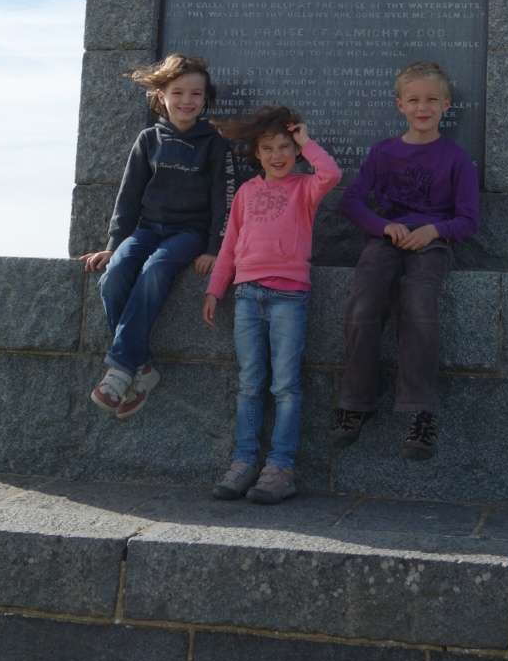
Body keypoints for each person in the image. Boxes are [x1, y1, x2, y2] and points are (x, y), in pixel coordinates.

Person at [330, 60, 478, 460]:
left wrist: (435, 231)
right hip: (386, 240)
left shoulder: (456, 159)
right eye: (413, 100)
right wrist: (382, 226)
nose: (422, 107)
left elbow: (468, 219)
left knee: (419, 308)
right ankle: (355, 402)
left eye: (431, 100)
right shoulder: (384, 152)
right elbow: (351, 201)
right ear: (400, 105)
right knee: (362, 305)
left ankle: (420, 411)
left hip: (431, 244)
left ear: (446, 105)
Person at [80, 54, 230, 419]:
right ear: (161, 95)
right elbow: (128, 197)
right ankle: (142, 367)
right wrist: (114, 246)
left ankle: (119, 369)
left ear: (205, 98)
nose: (187, 100)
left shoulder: (215, 143)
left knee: (155, 269)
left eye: (196, 93)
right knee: (114, 275)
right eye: (177, 92)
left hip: (189, 234)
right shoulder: (148, 139)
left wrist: (215, 248)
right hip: (147, 229)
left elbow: (222, 200)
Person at [204, 107, 340, 504]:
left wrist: (306, 142)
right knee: (249, 383)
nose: (277, 155)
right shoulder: (247, 193)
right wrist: (215, 289)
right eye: (268, 148)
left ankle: (280, 468)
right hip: (247, 295)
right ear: (257, 153)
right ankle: (244, 462)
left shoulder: (305, 189)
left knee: (285, 385)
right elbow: (230, 244)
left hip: (289, 297)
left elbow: (331, 174)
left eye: (284, 147)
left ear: (295, 151)